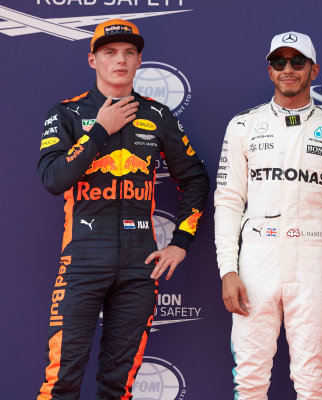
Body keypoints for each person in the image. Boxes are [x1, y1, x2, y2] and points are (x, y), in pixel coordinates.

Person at [36, 19, 209, 399]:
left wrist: (181, 240)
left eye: (129, 53)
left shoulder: (158, 115)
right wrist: (99, 130)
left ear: (139, 61)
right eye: (110, 53)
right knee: (61, 380)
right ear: (92, 60)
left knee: (119, 385)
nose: (120, 60)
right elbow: (52, 178)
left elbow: (195, 179)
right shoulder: (67, 113)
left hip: (139, 265)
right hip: (81, 259)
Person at [214, 31, 322, 399]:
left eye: (298, 62)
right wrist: (228, 271)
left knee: (313, 379)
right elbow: (229, 201)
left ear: (314, 70)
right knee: (249, 377)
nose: (288, 69)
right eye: (280, 62)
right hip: (256, 260)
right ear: (270, 70)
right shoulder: (244, 125)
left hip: (311, 259)